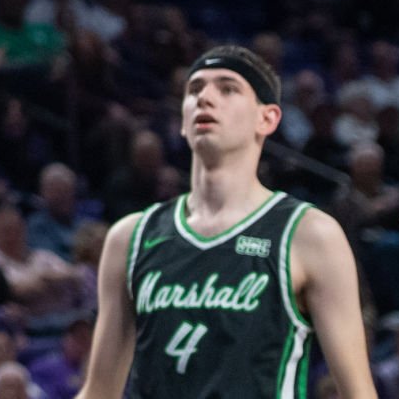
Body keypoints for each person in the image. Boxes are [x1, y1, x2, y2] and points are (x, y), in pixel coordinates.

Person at [75, 46, 377, 398]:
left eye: (227, 88)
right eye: (194, 89)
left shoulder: (309, 234)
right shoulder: (130, 238)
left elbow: (358, 392)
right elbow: (99, 391)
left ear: (267, 118)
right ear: (184, 121)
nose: (205, 98)